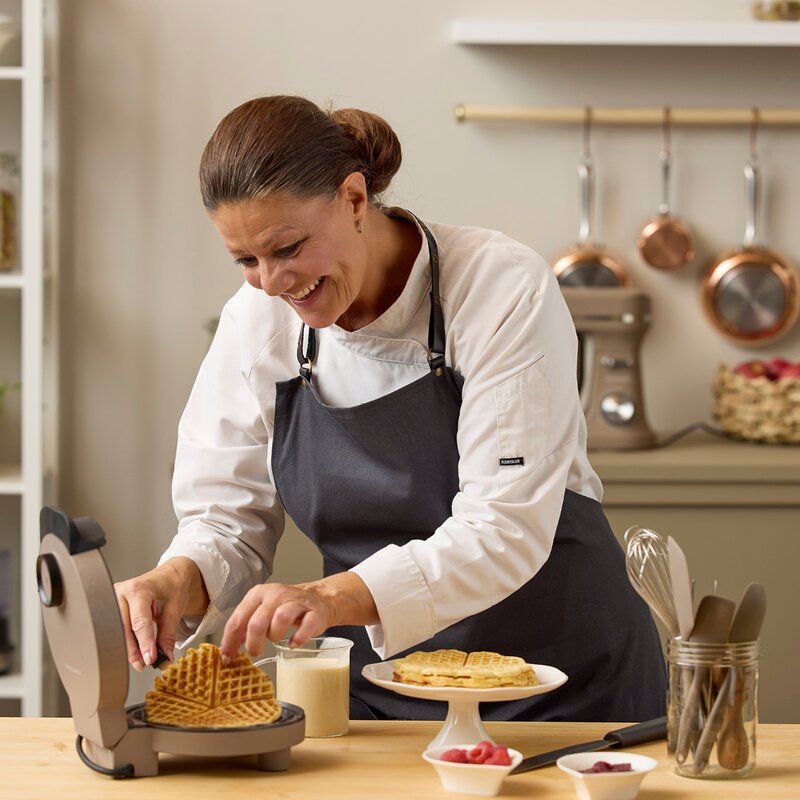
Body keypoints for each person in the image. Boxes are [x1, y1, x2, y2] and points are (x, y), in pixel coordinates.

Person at [114, 94, 666, 722]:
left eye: (288, 248)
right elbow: (225, 520)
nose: (271, 282)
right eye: (246, 260)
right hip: (378, 697)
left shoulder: (496, 286)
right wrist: (178, 578)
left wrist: (329, 596)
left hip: (561, 689)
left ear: (353, 199)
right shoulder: (256, 323)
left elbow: (504, 525)